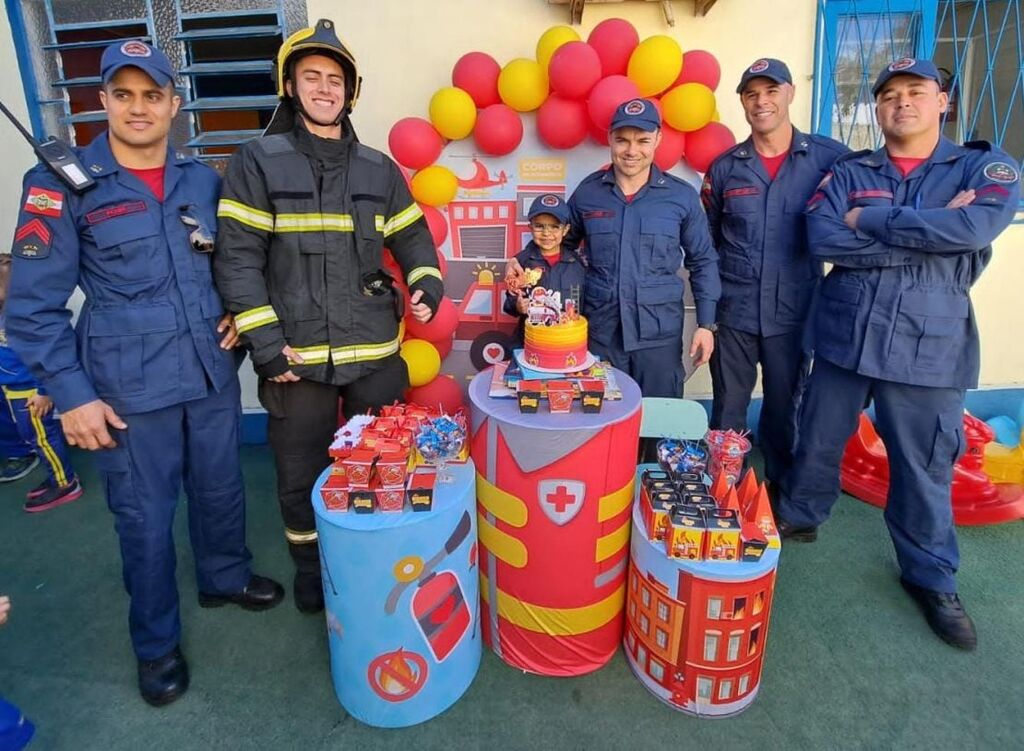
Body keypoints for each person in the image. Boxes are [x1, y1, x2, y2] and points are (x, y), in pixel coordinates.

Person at [5, 40, 284, 706]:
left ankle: (224, 576)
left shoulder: (203, 180)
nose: (138, 108)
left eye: (151, 94)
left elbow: (234, 262)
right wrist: (71, 395)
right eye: (123, 94)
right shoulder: (61, 184)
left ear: (173, 103)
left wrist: (242, 320)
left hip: (210, 373)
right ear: (101, 101)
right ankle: (155, 644)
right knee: (144, 520)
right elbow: (32, 308)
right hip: (128, 390)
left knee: (221, 489)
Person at [774, 58, 1020, 650]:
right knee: (816, 439)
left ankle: (932, 577)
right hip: (844, 333)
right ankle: (799, 518)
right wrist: (926, 235)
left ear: (944, 102)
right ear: (878, 108)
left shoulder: (985, 168)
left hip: (927, 343)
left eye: (915, 91)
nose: (901, 103)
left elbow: (973, 232)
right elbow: (824, 237)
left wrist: (876, 219)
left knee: (924, 466)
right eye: (888, 95)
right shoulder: (851, 171)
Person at [213, 19, 443, 614]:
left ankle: (377, 560)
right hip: (295, 361)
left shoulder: (377, 168)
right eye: (311, 77)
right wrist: (266, 346)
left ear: (350, 92)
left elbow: (414, 238)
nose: (324, 88)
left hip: (373, 355)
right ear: (290, 86)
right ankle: (314, 572)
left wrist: (427, 282)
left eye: (335, 79)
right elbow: (238, 259)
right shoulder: (257, 161)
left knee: (384, 466)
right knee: (300, 477)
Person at [701, 59, 848, 496]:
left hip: (795, 313)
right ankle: (723, 493)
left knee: (786, 406)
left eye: (770, 91)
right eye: (751, 94)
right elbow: (706, 243)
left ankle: (782, 494)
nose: (761, 101)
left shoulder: (829, 159)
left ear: (790, 93)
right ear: (743, 102)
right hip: (735, 314)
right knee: (728, 406)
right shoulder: (725, 167)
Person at [510, 98, 720, 398]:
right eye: (622, 140)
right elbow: (557, 246)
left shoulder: (681, 197)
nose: (632, 151)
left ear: (658, 139)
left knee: (658, 420)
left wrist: (706, 325)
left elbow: (703, 261)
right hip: (601, 332)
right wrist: (519, 263)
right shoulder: (589, 193)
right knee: (602, 418)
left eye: (643, 140)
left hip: (658, 335)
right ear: (609, 138)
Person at [1, 252, 83, 511]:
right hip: (12, 390)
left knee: (43, 439)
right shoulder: (3, 313)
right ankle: (55, 474)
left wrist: (45, 390)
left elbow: (51, 353)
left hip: (31, 394)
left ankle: (65, 483)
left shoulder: (27, 319)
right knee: (33, 437)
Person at [503, 193, 586, 344]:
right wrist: (517, 305)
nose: (547, 233)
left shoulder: (578, 263)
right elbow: (510, 301)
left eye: (555, 227)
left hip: (567, 341)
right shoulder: (520, 263)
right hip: (530, 342)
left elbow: (584, 305)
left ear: (566, 230)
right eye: (539, 226)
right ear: (530, 227)